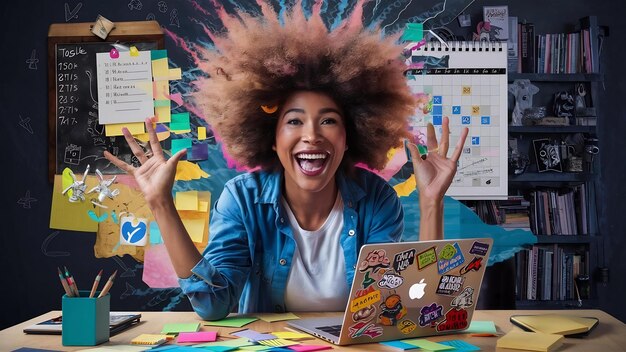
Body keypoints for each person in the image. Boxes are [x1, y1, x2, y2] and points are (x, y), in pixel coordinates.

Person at [104, 2, 468, 320]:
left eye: (328, 120)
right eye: (294, 121)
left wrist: (431, 200)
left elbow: (408, 307)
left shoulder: (376, 200)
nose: (311, 135)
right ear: (271, 138)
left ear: (349, 137)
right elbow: (213, 306)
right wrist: (161, 204)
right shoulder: (241, 200)